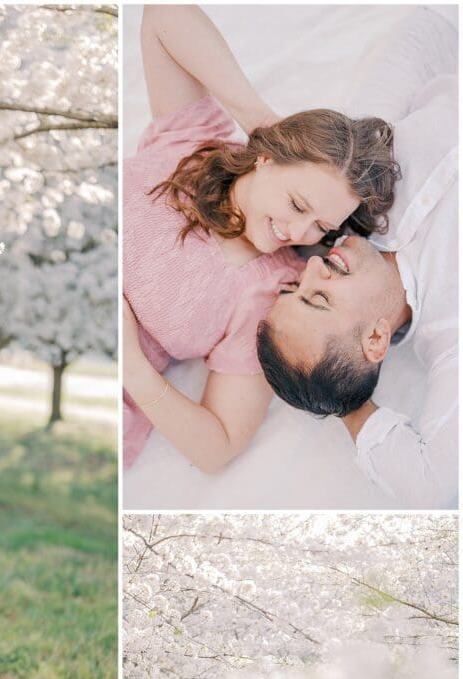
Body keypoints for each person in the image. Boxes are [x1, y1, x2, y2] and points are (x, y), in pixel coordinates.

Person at [123, 4, 399, 472]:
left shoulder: (273, 295)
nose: (297, 233)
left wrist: (132, 367)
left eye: (319, 227)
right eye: (297, 204)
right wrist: (258, 119)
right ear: (265, 158)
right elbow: (163, 15)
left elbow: (219, 445)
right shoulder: (197, 145)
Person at [256, 6, 458, 509]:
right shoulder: (453, 332)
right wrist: (349, 408)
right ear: (375, 338)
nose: (313, 266)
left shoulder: (352, 185)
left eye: (293, 287)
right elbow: (439, 489)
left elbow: (425, 32)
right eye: (318, 298)